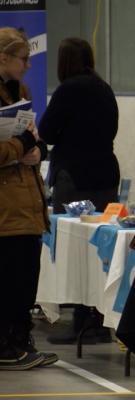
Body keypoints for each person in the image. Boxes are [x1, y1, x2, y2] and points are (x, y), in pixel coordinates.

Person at [39, 37, 119, 345]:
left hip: (74, 176)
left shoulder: (67, 90)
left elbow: (47, 132)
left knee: (75, 248)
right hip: (105, 173)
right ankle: (98, 321)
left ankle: (80, 322)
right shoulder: (104, 88)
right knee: (99, 247)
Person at [0, 26, 57, 370]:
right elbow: (16, 144)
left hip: (27, 201)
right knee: (9, 280)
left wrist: (36, 150)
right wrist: (22, 145)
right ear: (4, 58)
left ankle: (20, 339)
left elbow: (32, 137)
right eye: (24, 59)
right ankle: (6, 346)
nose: (28, 65)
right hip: (6, 208)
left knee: (25, 280)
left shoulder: (20, 91)